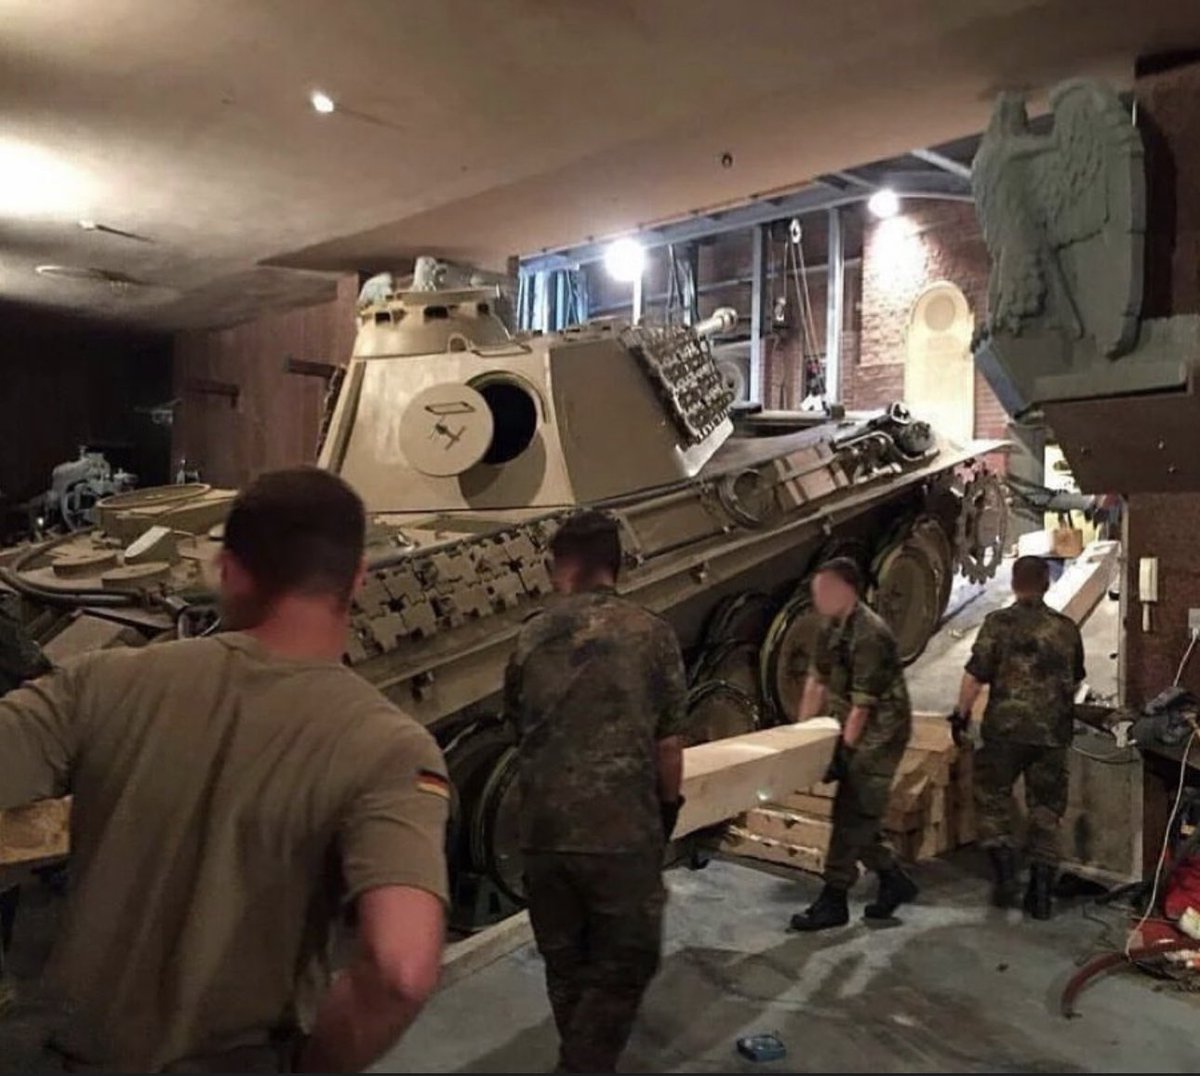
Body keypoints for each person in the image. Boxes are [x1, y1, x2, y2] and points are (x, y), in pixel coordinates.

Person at [0, 467, 449, 1072]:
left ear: (229, 570)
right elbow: (401, 969)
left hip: (72, 1053)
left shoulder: (102, 682)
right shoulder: (389, 746)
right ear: (359, 579)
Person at [504, 510, 687, 1073]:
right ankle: (583, 1066)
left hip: (542, 833)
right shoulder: (651, 633)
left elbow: (517, 725)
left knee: (566, 962)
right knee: (627, 960)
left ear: (563, 568)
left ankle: (581, 1056)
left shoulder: (531, 634)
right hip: (619, 834)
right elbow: (669, 747)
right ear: (617, 564)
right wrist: (667, 809)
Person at [949, 554, 1084, 920]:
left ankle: (1006, 876)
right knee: (1045, 810)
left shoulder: (998, 623)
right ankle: (1040, 896)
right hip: (1052, 733)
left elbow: (974, 675)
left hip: (1005, 732)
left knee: (991, 798)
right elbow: (1077, 678)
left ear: (1013, 583)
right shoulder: (1066, 628)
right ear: (1047, 583)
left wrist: (961, 715)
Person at [790, 557, 917, 931]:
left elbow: (864, 706)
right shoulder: (830, 627)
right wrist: (801, 738)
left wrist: (844, 753)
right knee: (859, 814)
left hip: (881, 732)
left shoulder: (870, 634)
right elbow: (816, 682)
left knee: (851, 813)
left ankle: (834, 901)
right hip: (852, 722)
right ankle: (894, 880)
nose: (819, 597)